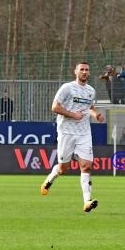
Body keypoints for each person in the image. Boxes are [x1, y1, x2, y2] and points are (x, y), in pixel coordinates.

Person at [40, 61, 104, 212]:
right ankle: (49, 179)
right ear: (75, 71)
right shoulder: (67, 88)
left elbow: (90, 107)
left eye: (86, 70)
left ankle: (87, 201)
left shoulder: (90, 90)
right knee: (63, 169)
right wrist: (72, 115)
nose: (84, 72)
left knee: (86, 166)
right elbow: (55, 107)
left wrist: (96, 115)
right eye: (81, 69)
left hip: (84, 133)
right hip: (66, 132)